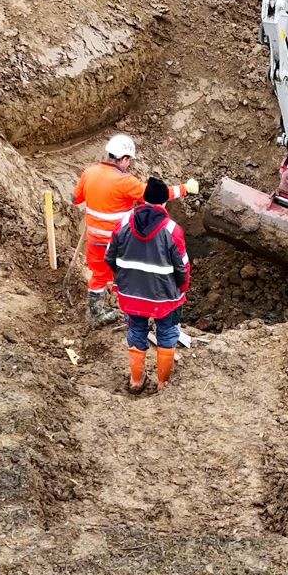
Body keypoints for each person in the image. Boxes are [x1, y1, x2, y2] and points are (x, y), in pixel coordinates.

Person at [71, 134, 196, 327]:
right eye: (128, 160)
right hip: (120, 241)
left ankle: (96, 314)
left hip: (94, 237)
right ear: (124, 158)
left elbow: (75, 198)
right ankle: (131, 312)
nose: (128, 164)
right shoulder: (125, 181)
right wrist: (184, 188)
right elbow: (155, 196)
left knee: (98, 275)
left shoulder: (90, 172)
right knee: (128, 274)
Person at [105, 177, 190, 395]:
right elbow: (182, 267)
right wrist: (181, 289)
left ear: (144, 200)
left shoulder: (124, 223)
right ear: (164, 203)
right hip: (164, 298)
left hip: (131, 294)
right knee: (167, 334)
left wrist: (123, 279)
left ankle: (135, 380)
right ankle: (162, 385)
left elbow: (109, 256)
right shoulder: (172, 230)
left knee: (136, 330)